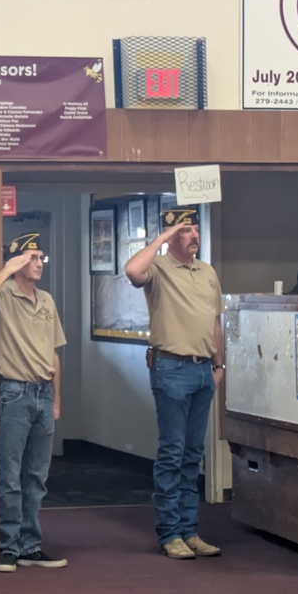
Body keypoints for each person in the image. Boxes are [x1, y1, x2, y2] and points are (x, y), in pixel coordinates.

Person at [123, 208, 223, 560]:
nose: (194, 234)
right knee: (172, 453)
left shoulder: (207, 272)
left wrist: (218, 363)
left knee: (193, 455)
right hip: (171, 368)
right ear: (170, 237)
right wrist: (163, 239)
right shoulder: (159, 269)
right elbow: (132, 271)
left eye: (196, 228)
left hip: (201, 370)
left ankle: (190, 531)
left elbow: (213, 322)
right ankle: (169, 533)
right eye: (186, 230)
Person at [0, 232, 67, 573]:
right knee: (10, 475)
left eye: (42, 258)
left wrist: (56, 399)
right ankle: (8, 547)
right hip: (13, 393)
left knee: (36, 476)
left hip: (43, 393)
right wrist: (5, 269)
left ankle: (31, 545)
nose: (40, 263)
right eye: (33, 258)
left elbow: (54, 354)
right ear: (17, 263)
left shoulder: (47, 301)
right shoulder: (4, 295)